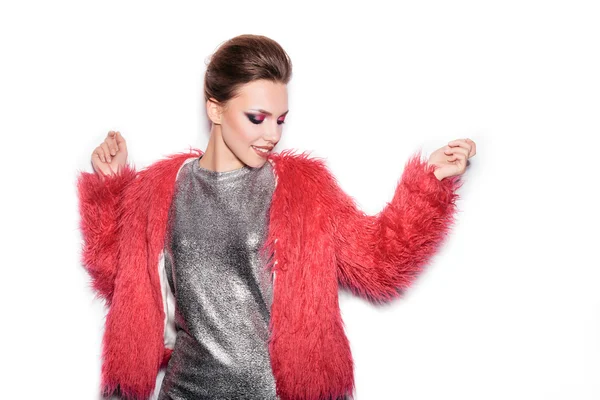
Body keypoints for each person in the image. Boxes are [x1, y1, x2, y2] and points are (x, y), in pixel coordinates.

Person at [77, 34, 476, 400]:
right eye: (257, 117)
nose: (273, 134)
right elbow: (123, 283)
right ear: (215, 108)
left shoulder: (304, 189)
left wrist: (430, 184)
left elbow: (380, 263)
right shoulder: (160, 189)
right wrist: (109, 189)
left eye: (280, 119)